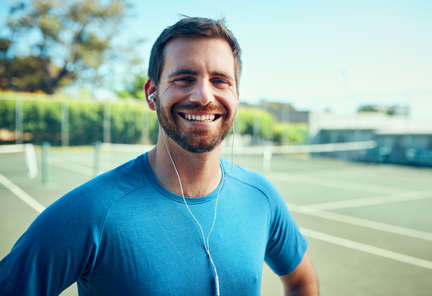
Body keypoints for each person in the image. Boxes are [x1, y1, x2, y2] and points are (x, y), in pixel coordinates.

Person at [0, 17, 319, 296]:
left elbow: (301, 282)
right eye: (184, 79)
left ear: (236, 95)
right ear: (152, 93)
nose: (204, 96)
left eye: (220, 80)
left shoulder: (261, 198)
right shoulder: (89, 212)